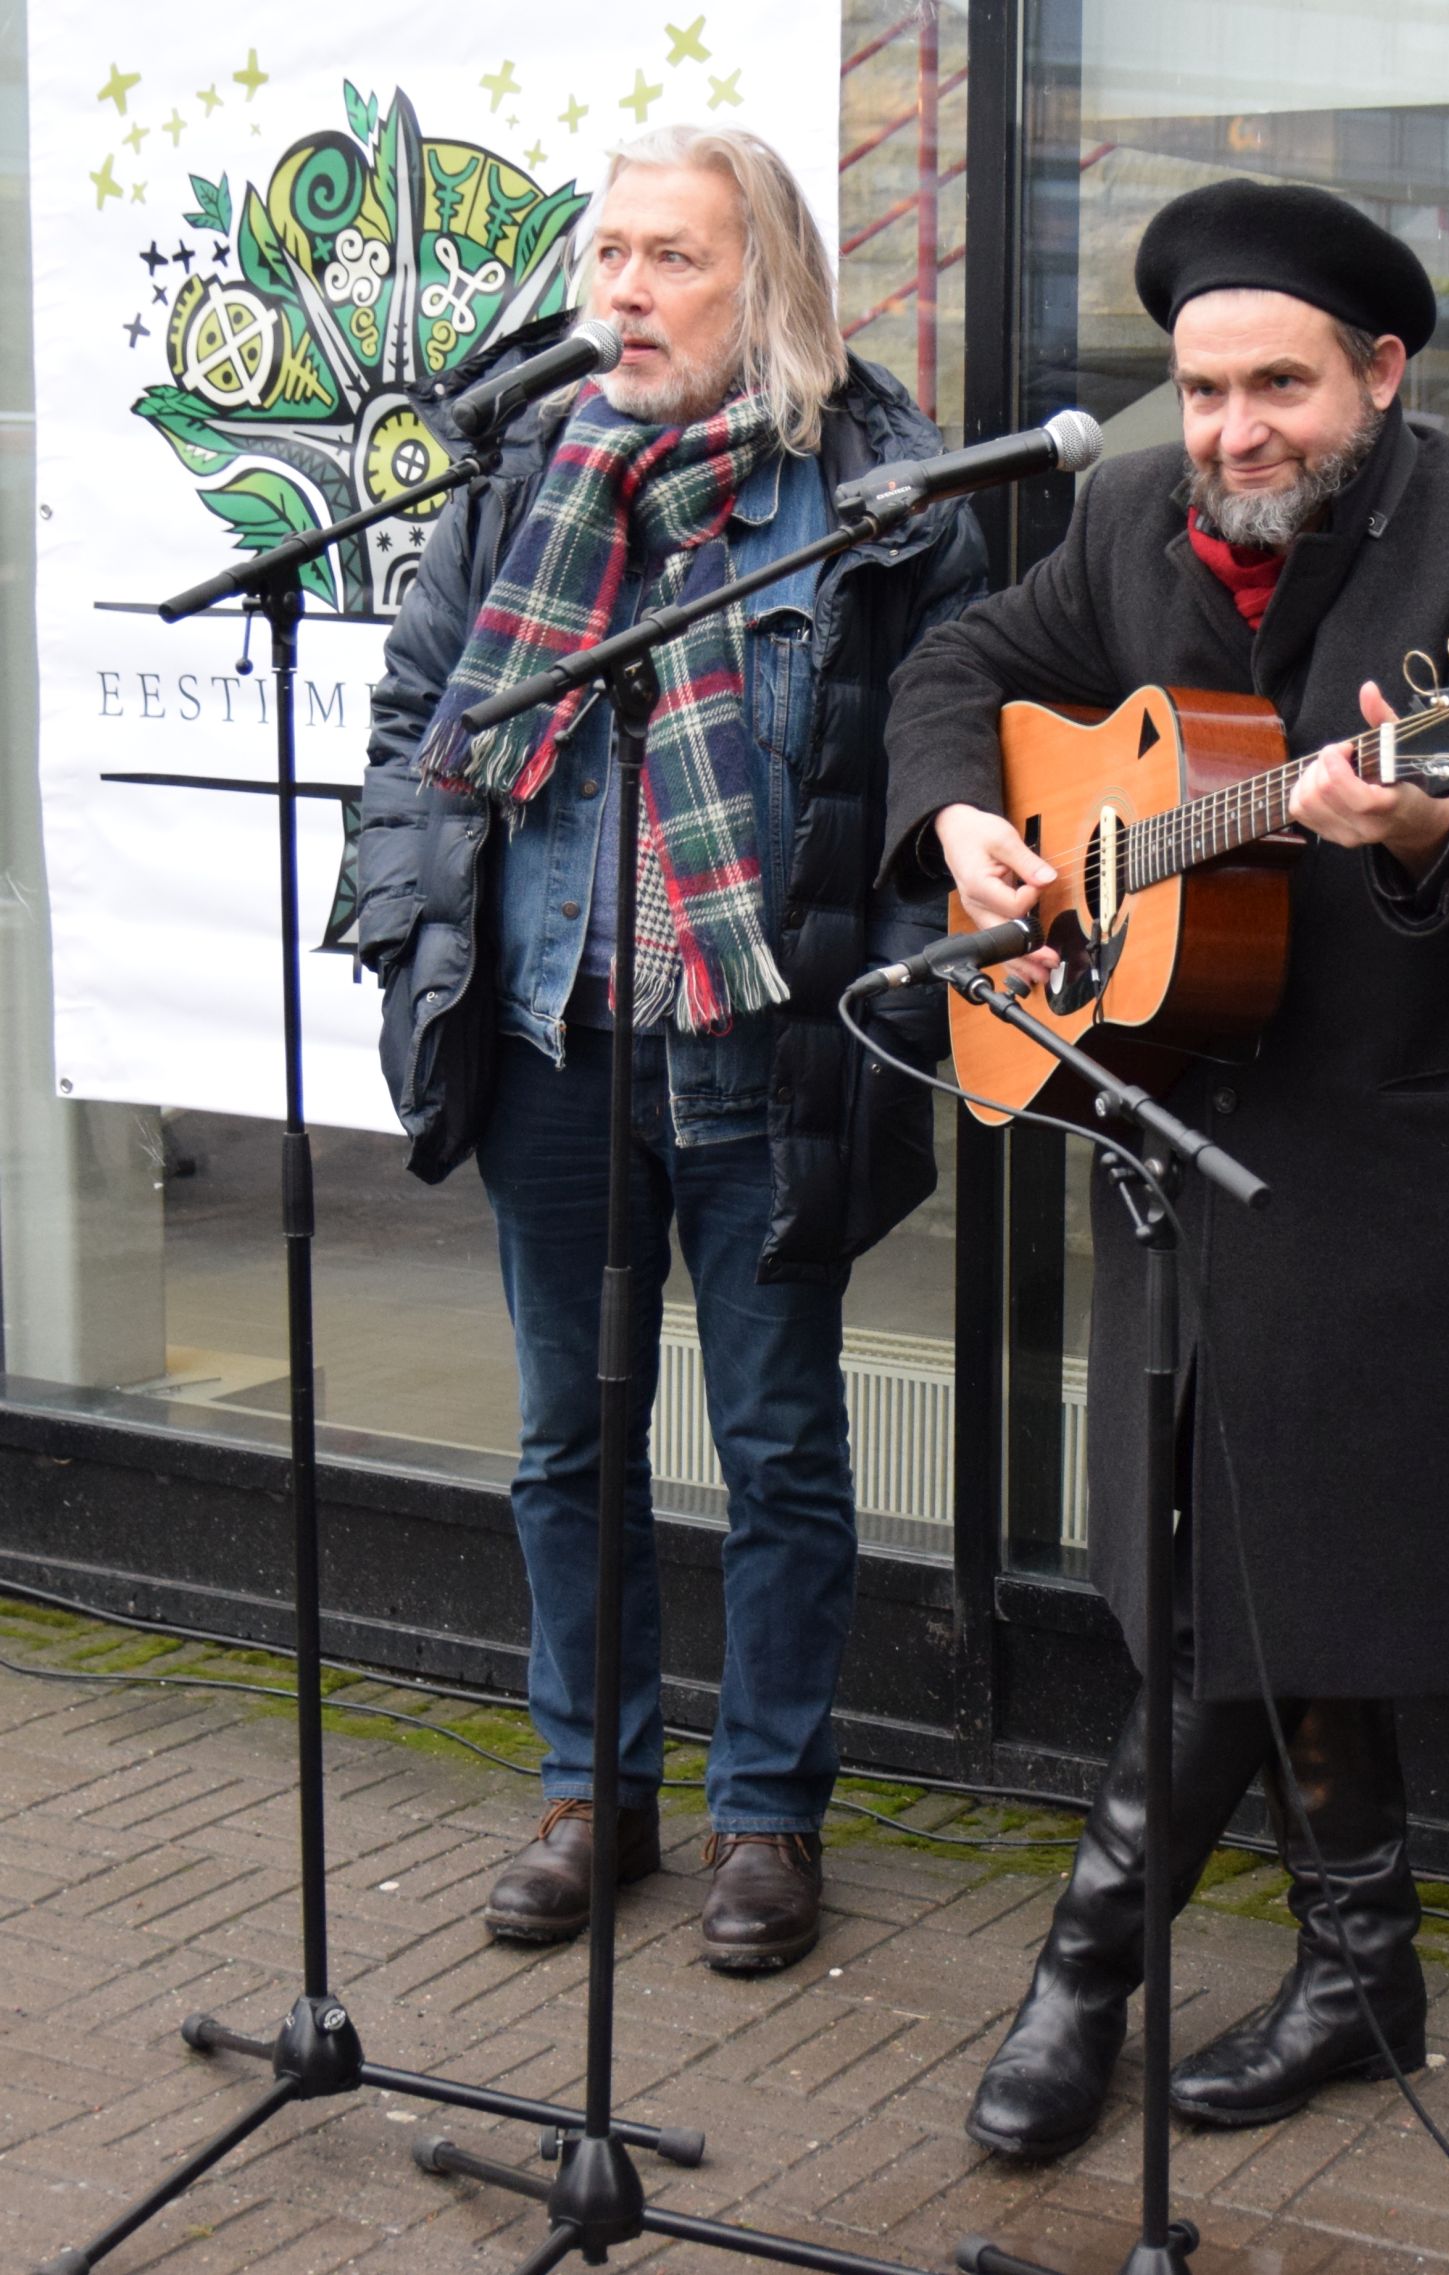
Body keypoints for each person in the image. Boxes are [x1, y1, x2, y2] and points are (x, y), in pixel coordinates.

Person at [881, 177, 1449, 2154]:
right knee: (1255, 1577)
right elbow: (960, 668)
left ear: (1379, 375)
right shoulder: (1128, 513)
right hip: (1174, 1135)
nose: (1232, 431)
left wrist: (1411, 831)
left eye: (1276, 384)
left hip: (1378, 1181)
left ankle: (1084, 1970)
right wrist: (966, 824)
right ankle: (1362, 1968)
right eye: (1202, 388)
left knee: (1240, 1577)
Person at [356, 125, 983, 1969]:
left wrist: (894, 1006)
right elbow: (416, 724)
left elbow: (923, 779)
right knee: (571, 1438)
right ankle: (592, 1798)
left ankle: (769, 1818)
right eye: (610, 253)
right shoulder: (525, 479)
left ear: (765, 283)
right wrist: (415, 934)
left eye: (672, 258)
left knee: (780, 1445)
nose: (624, 290)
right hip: (556, 1034)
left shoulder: (879, 500)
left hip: (760, 1049)